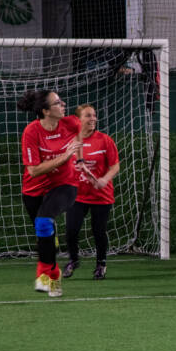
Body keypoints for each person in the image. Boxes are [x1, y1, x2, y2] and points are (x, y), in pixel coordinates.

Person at [17, 89, 83, 298]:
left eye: (62, 101)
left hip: (65, 184)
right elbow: (34, 170)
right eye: (57, 103)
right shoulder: (31, 132)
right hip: (34, 188)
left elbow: (80, 138)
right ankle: (52, 271)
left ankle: (50, 279)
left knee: (44, 222)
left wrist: (78, 158)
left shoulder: (71, 123)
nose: (63, 105)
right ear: (46, 111)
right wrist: (65, 156)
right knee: (43, 235)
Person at [62, 104, 120, 281]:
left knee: (99, 231)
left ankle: (101, 264)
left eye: (94, 115)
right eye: (88, 116)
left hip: (101, 196)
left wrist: (104, 179)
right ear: (78, 120)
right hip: (77, 195)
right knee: (71, 231)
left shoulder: (104, 140)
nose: (93, 119)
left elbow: (115, 166)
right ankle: (73, 260)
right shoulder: (70, 142)